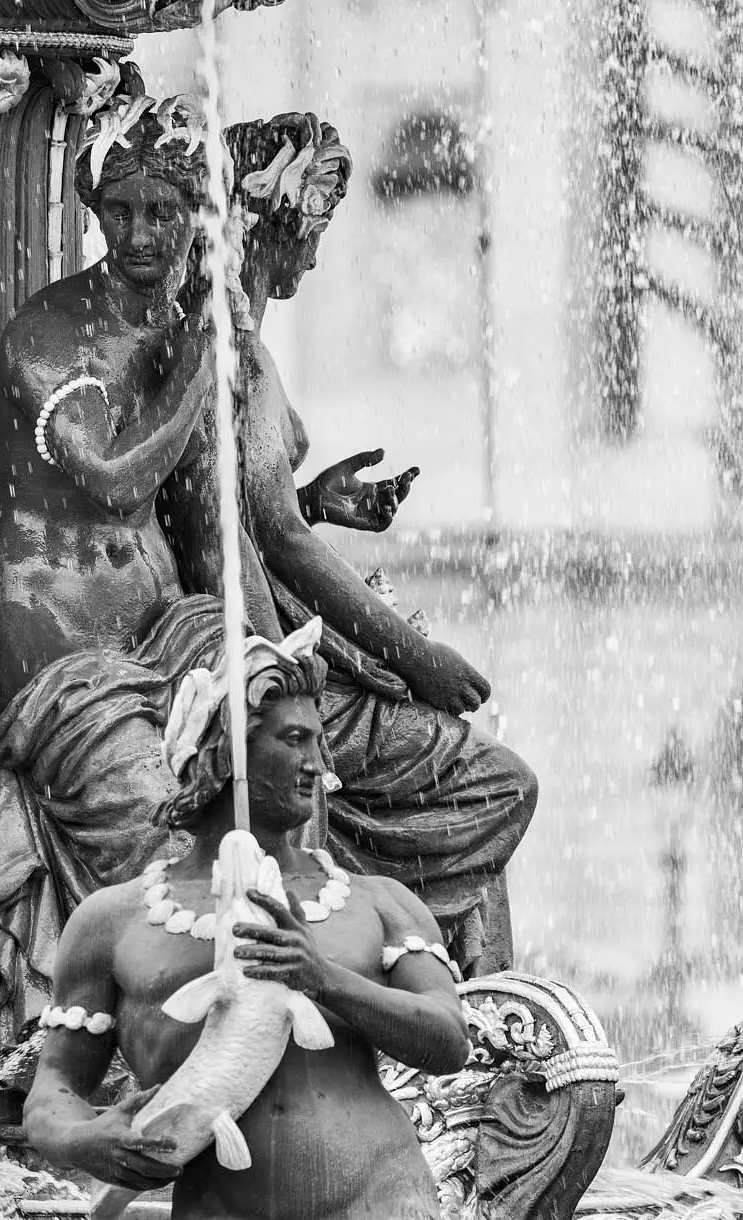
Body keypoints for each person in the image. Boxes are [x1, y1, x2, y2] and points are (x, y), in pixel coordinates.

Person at [0, 89, 263, 1037]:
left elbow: (226, 509)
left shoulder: (183, 324)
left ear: (194, 216)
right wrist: (210, 362)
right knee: (156, 813)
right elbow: (119, 482)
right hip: (52, 642)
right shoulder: (55, 337)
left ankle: (293, 1005)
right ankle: (145, 1040)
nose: (137, 232)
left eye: (161, 211)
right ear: (91, 209)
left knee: (288, 744)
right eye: (118, 208)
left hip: (160, 624)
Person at [217, 110, 536, 973]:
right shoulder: (232, 352)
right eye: (312, 230)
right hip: (269, 660)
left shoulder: (233, 341)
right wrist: (416, 651)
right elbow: (273, 541)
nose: (318, 256)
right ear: (265, 218)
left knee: (455, 749)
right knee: (498, 781)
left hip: (269, 638)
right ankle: (436, 980)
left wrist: (316, 499)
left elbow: (257, 515)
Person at [24, 617, 469, 1220]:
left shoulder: (378, 901)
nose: (318, 763)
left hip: (381, 1200)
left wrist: (323, 977)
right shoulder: (114, 921)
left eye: (318, 740)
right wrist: (86, 1140)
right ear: (224, 755)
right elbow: (53, 1092)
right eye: (293, 740)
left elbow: (448, 1040)